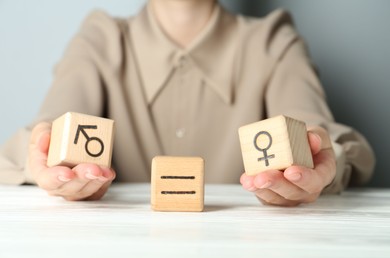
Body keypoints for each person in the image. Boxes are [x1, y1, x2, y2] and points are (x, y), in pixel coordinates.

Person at [0, 0, 375, 206]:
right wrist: (43, 150)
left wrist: (323, 158)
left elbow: (321, 136)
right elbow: (50, 126)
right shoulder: (99, 41)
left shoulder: (274, 43)